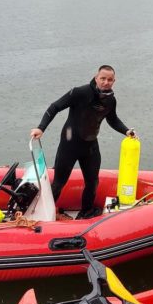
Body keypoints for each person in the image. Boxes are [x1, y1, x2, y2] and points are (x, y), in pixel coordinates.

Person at [30, 65, 135, 219]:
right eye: (103, 78)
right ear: (96, 77)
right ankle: (44, 214)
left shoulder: (110, 100)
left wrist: (126, 131)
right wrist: (41, 128)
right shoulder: (80, 92)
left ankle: (86, 212)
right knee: (59, 182)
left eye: (110, 80)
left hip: (90, 145)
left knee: (92, 183)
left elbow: (112, 119)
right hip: (70, 144)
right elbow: (55, 107)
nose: (106, 82)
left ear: (114, 81)